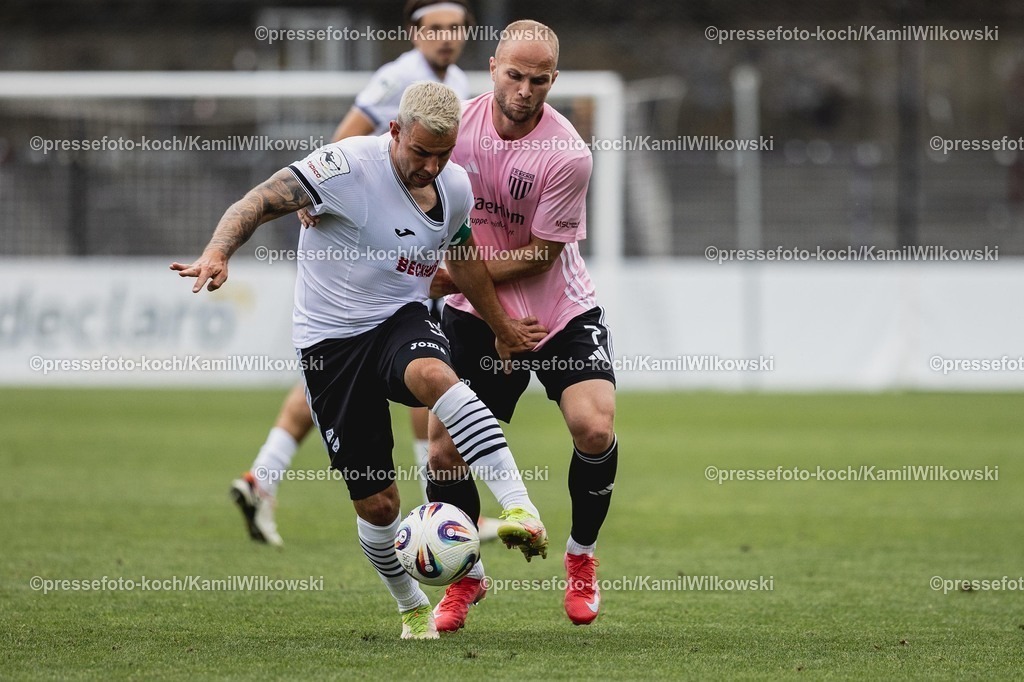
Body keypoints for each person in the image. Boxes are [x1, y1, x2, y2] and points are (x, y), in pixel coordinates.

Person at [172, 82, 548, 639]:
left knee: (433, 375)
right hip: (329, 344)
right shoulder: (345, 167)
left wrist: (501, 329)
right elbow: (257, 202)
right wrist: (218, 251)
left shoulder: (456, 187)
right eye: (420, 151)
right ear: (394, 132)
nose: (431, 165)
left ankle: (520, 508)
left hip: (399, 318)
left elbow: (465, 260)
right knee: (377, 505)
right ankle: (411, 604)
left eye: (443, 154)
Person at [229, 0, 504, 547]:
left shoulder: (455, 82)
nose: (447, 37)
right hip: (363, 248)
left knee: (362, 367)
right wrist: (316, 195)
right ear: (414, 32)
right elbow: (347, 138)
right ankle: (442, 506)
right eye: (436, 28)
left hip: (404, 244)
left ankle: (265, 474)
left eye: (457, 28)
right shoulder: (399, 77)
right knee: (392, 366)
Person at [425, 20, 619, 630]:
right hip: (477, 316)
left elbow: (540, 254)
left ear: (552, 80)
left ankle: (581, 558)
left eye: (539, 80)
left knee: (593, 427)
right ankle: (464, 579)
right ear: (492, 67)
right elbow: (388, 165)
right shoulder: (454, 129)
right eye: (515, 75)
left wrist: (455, 278)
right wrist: (318, 204)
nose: (525, 89)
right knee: (444, 452)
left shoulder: (568, 155)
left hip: (557, 313)